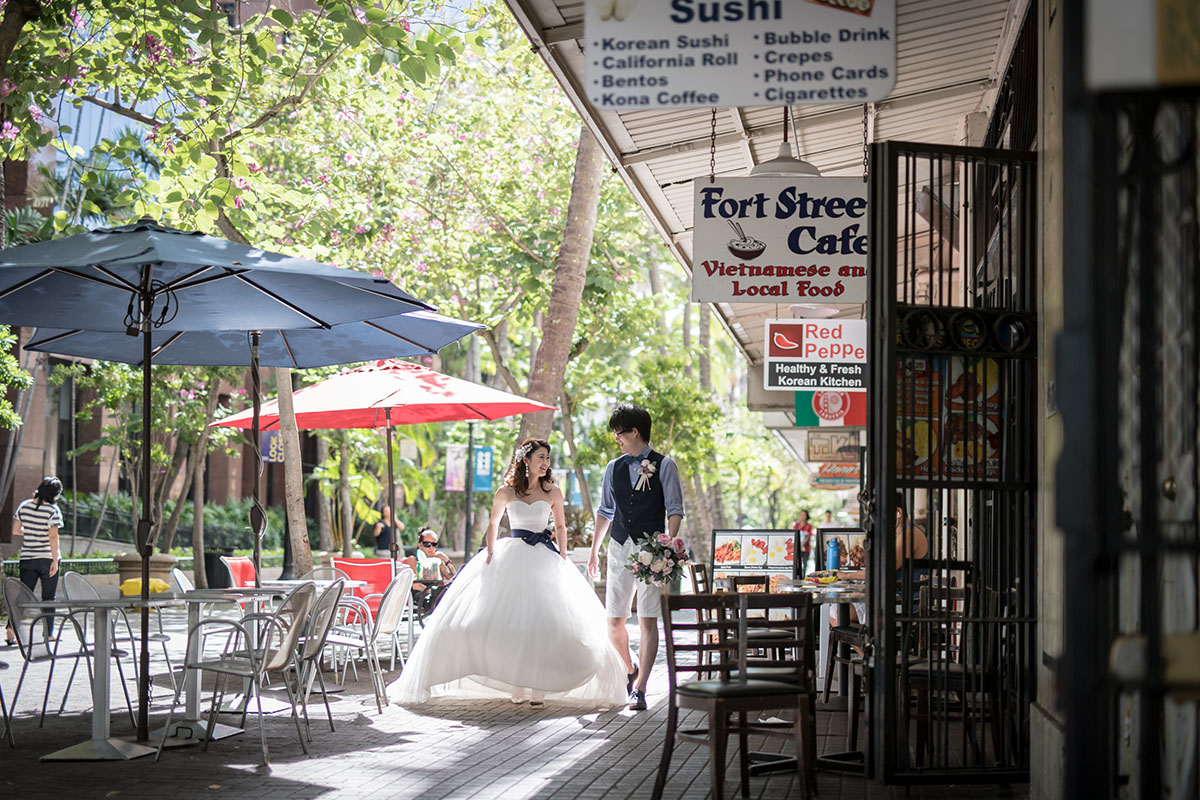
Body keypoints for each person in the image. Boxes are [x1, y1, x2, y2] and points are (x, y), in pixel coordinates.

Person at [388, 438, 625, 707]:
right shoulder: (506, 491)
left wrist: (562, 553)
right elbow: (493, 522)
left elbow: (560, 527)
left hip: (544, 558)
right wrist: (489, 550)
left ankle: (540, 689)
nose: (546, 462)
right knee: (512, 624)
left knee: (544, 623)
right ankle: (517, 685)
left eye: (547, 458)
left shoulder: (553, 492)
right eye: (541, 457)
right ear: (526, 460)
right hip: (511, 552)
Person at [587, 403, 685, 711]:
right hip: (618, 547)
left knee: (646, 620)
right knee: (614, 620)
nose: (616, 439)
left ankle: (641, 688)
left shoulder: (665, 465)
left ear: (635, 432)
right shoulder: (613, 467)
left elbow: (675, 509)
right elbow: (605, 511)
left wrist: (666, 545)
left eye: (619, 433)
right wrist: (594, 551)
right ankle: (631, 671)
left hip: (651, 551)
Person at [5, 476, 63, 645]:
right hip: (46, 559)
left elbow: (16, 530)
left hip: (27, 559)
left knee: (23, 596)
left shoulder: (24, 506)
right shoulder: (53, 510)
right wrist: (55, 560)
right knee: (48, 597)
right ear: (54, 494)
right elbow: (53, 537)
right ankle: (48, 633)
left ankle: (11, 629)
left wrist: (32, 532)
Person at [792, 509, 814, 574]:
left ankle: (804, 576)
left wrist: (802, 543)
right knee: (797, 563)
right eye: (801, 515)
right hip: (797, 548)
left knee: (805, 563)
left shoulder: (809, 526)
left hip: (806, 548)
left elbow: (809, 536)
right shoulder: (795, 525)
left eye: (804, 515)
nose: (802, 516)